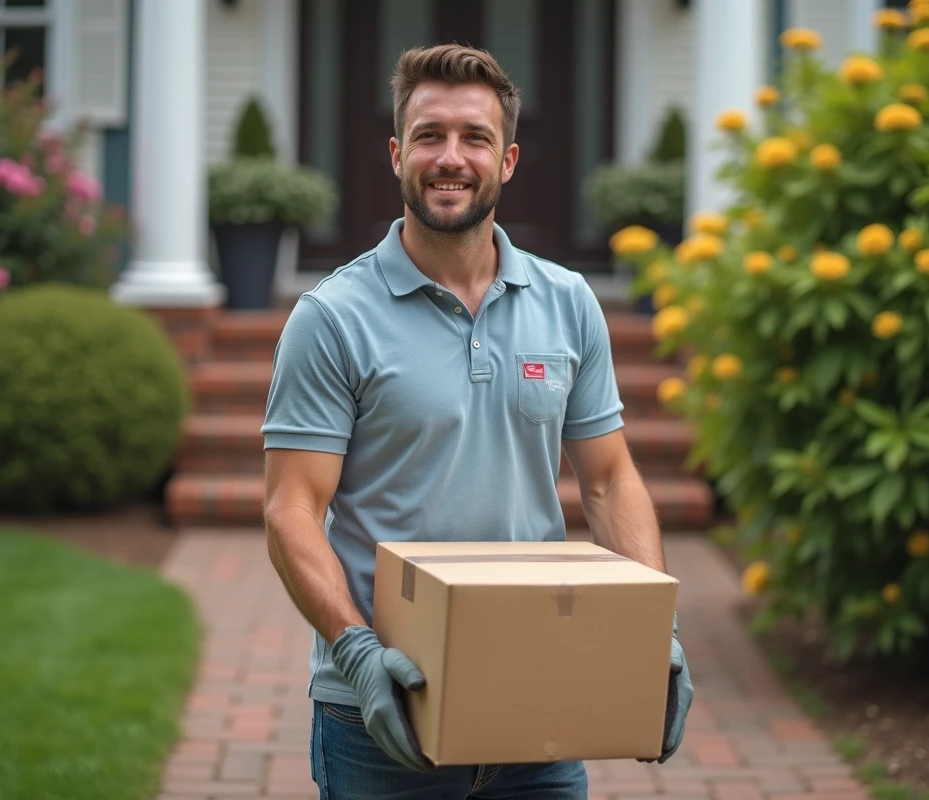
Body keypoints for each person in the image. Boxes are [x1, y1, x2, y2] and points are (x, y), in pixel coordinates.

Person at [262, 43, 692, 799]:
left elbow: (609, 482)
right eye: (429, 136)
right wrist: (358, 652)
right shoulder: (332, 318)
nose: (450, 157)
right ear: (397, 153)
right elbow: (293, 507)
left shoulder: (568, 303)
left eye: (475, 138)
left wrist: (652, 632)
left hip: (537, 697)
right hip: (382, 710)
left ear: (510, 159)